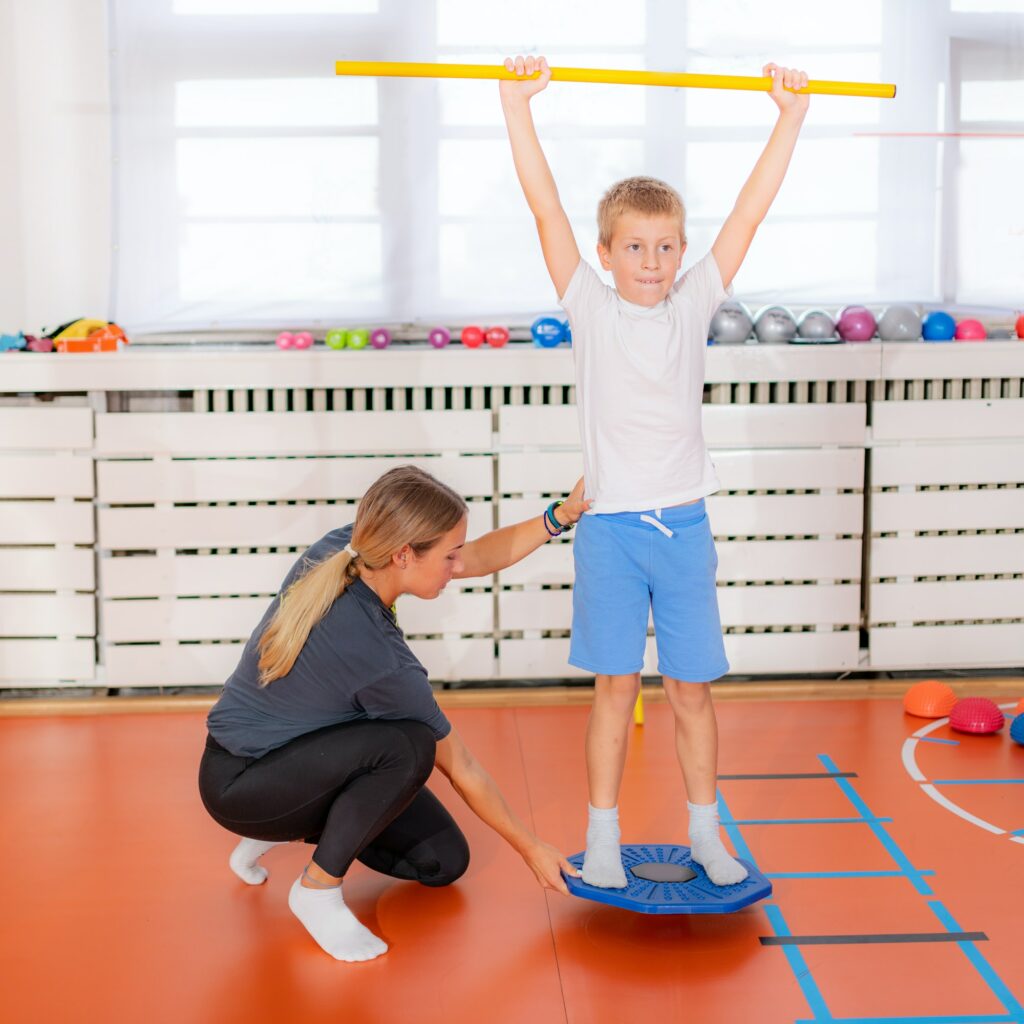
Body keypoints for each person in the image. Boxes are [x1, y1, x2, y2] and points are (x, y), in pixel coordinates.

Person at [499, 54, 809, 888]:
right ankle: (602, 839)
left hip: (683, 527)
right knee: (611, 689)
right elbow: (543, 207)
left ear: (681, 252)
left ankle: (705, 832)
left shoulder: (696, 302)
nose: (652, 260)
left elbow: (750, 213)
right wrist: (515, 105)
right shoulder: (589, 307)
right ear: (606, 253)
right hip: (608, 530)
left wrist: (790, 117)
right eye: (635, 246)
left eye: (666, 246)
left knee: (692, 692)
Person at [199, 465, 590, 962]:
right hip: (240, 783)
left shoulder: (348, 549)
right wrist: (532, 848)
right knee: (407, 746)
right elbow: (462, 767)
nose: (457, 566)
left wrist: (561, 516)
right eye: (449, 556)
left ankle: (285, 822)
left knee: (443, 861)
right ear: (405, 554)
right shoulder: (378, 658)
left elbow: (481, 556)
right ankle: (316, 888)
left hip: (285, 760)